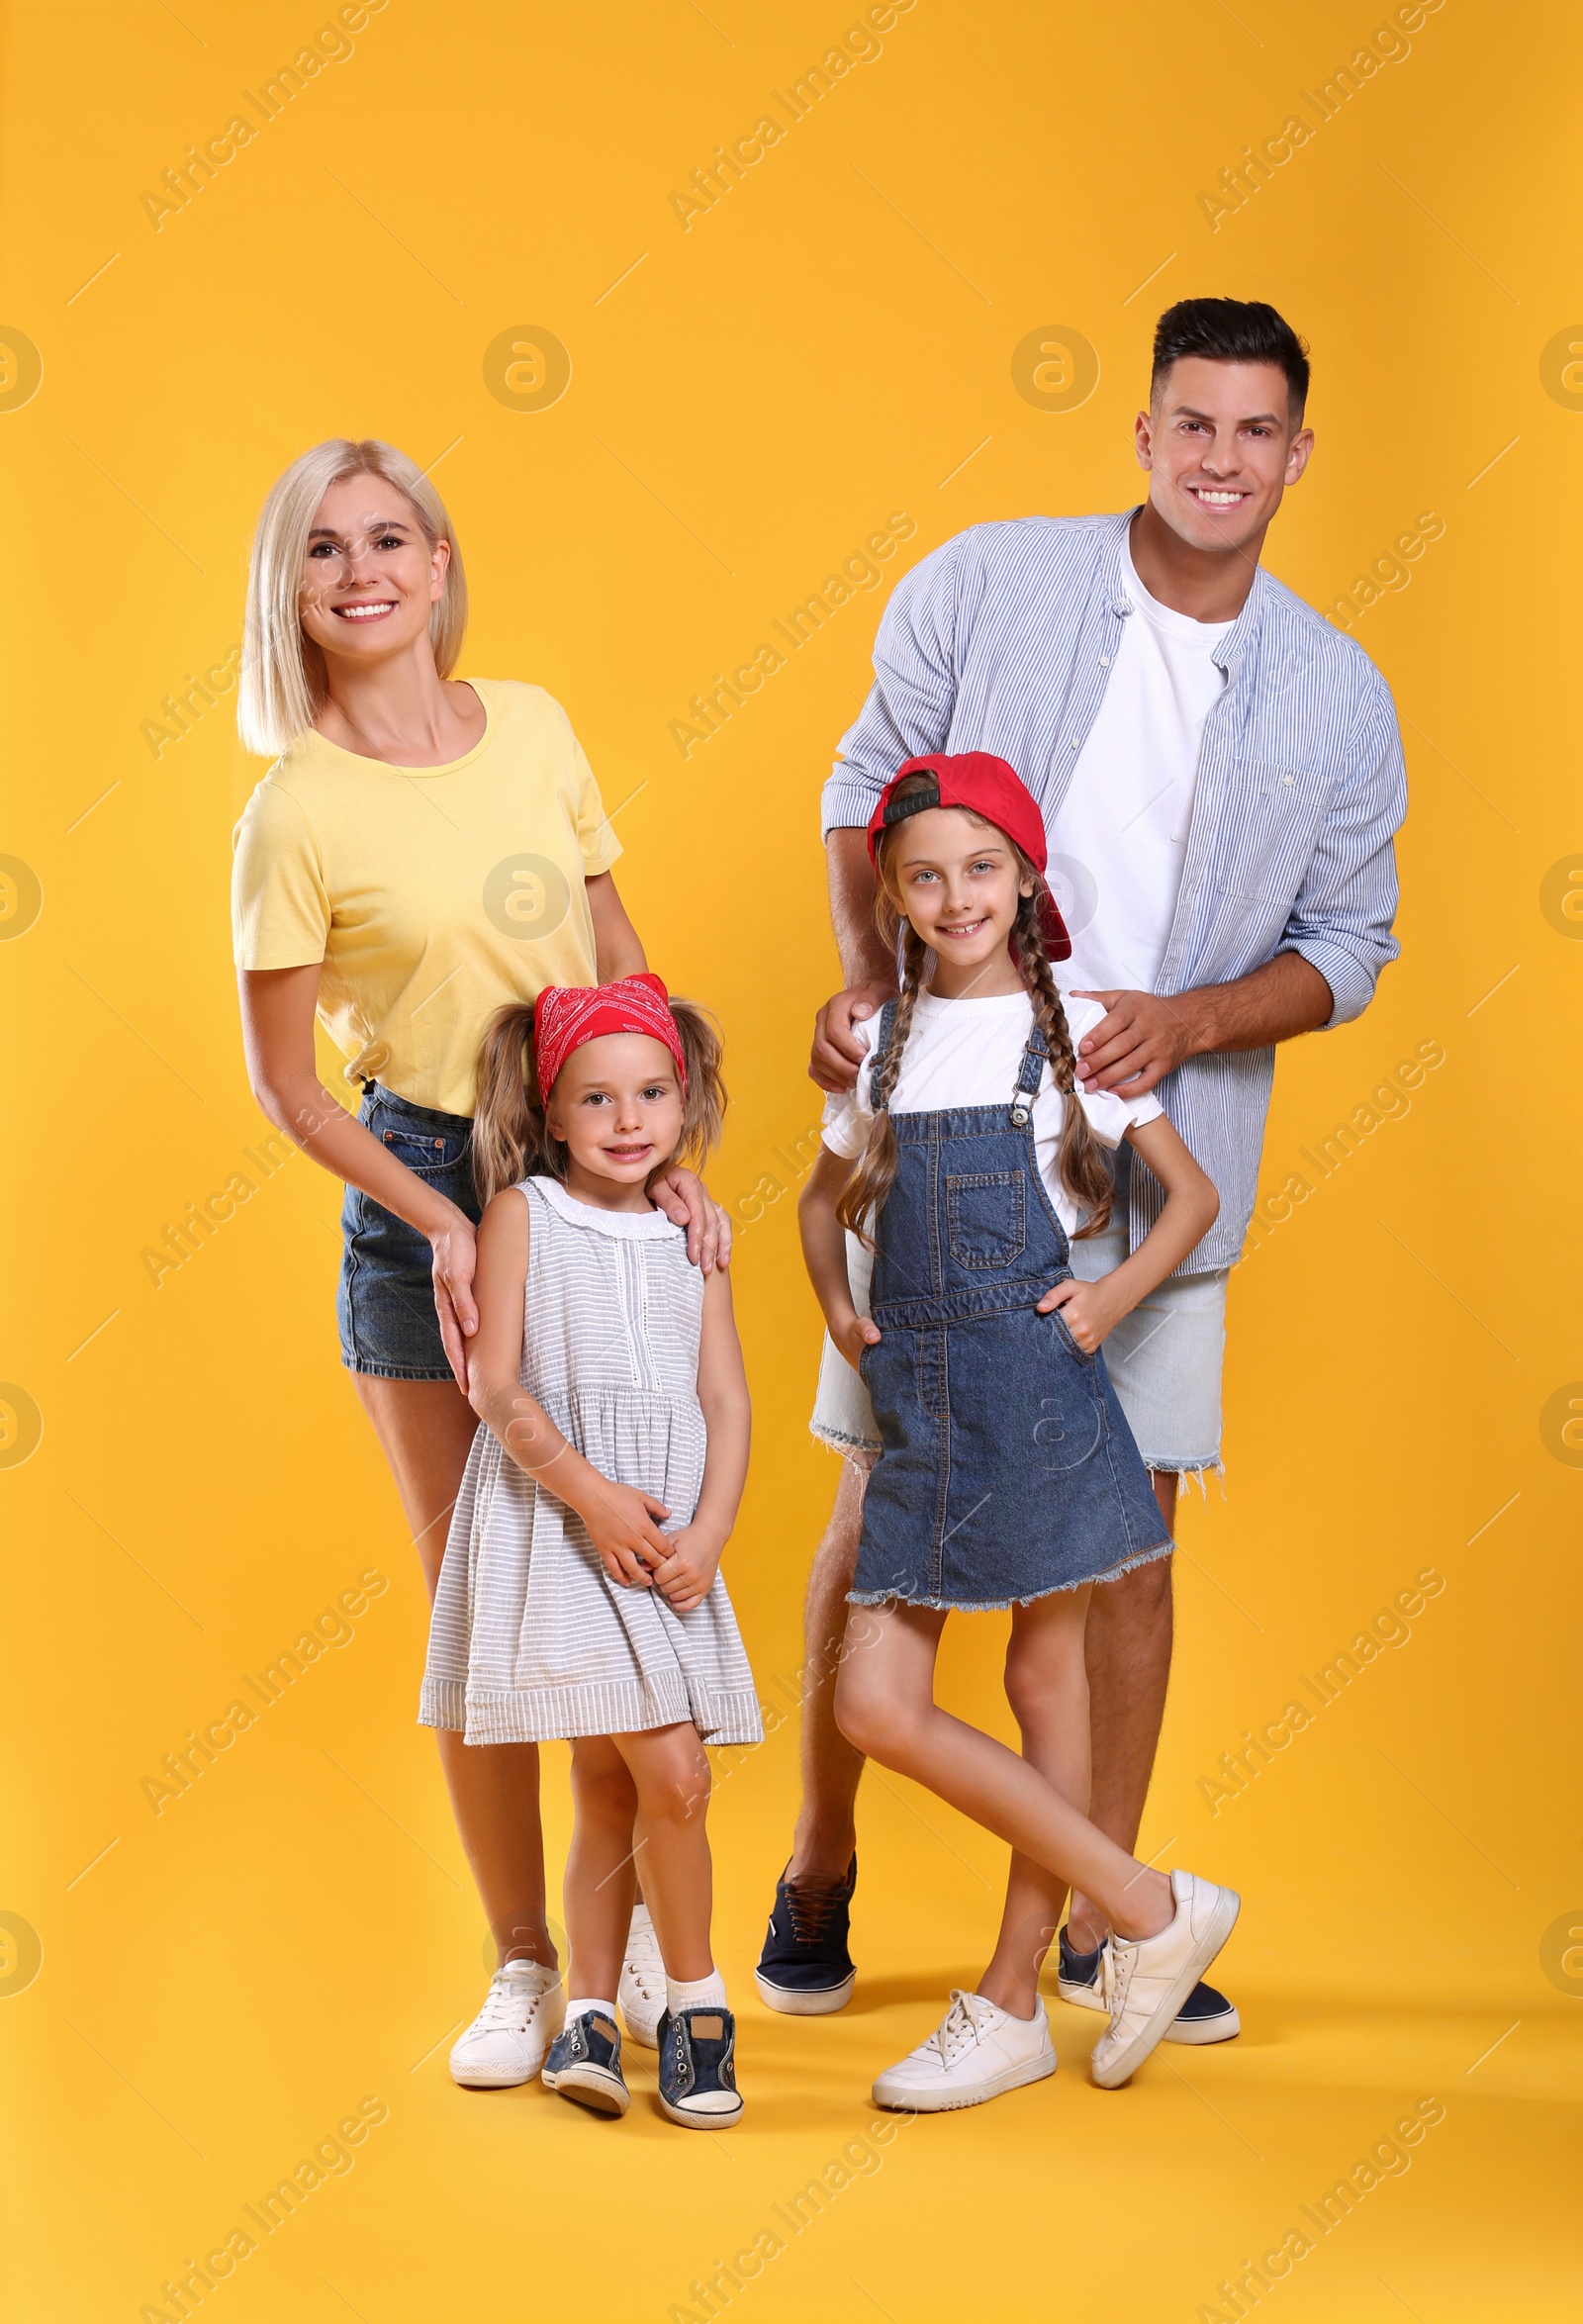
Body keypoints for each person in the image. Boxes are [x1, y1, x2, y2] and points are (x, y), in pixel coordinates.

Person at [756, 298, 1405, 2068]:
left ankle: (1095, 1927)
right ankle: (820, 1860)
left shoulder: (1338, 692)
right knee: (873, 1504)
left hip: (1149, 1159)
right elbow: (855, 788)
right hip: (940, 1136)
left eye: (1254, 432)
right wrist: (873, 992)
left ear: (1296, 455)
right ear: (1142, 432)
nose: (1219, 459)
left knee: (1124, 1560)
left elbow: (1352, 945)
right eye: (1190, 424)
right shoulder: (989, 585)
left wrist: (1183, 1017)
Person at [232, 438, 723, 2091]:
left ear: (439, 561)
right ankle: (522, 1959)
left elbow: (617, 957)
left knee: (619, 1552)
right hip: (426, 1180)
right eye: (324, 548)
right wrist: (445, 1222)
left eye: (389, 535)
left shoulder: (536, 726)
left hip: (594, 1157)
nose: (361, 568)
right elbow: (292, 1085)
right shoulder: (292, 807)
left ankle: (634, 1947)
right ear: (289, 591)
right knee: (488, 1606)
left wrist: (675, 1163)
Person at [799, 752, 1234, 2103]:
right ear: (892, 895)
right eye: (925, 876)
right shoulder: (880, 1040)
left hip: (1038, 1395)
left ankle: (1009, 2000)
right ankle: (1148, 1907)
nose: (956, 895)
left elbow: (1190, 1198)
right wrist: (838, 1310)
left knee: (1047, 1688)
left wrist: (1107, 1297)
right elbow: (821, 1208)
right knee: (877, 1701)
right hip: (918, 1407)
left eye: (982, 868)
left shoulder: (1078, 1034)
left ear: (1026, 879)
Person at [420, 974, 758, 2127]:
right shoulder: (524, 1214)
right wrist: (593, 1500)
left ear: (683, 1097)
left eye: (653, 1092)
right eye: (598, 1098)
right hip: (565, 1523)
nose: (629, 1121)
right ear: (551, 1112)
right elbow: (496, 1383)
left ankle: (595, 2015)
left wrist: (705, 1528)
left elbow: (725, 1394)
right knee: (673, 1772)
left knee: (616, 1786)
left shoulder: (693, 1234)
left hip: (666, 1537)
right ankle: (703, 2010)